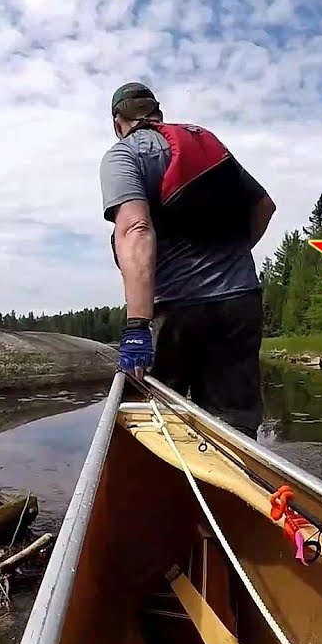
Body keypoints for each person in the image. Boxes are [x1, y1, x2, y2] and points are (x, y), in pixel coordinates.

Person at [99, 82, 277, 438]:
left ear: (119, 122)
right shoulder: (203, 141)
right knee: (235, 426)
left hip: (176, 310)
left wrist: (136, 326)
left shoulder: (123, 155)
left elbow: (135, 229)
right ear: (157, 114)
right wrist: (235, 260)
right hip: (239, 301)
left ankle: (165, 489)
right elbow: (264, 206)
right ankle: (233, 490)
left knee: (156, 426)